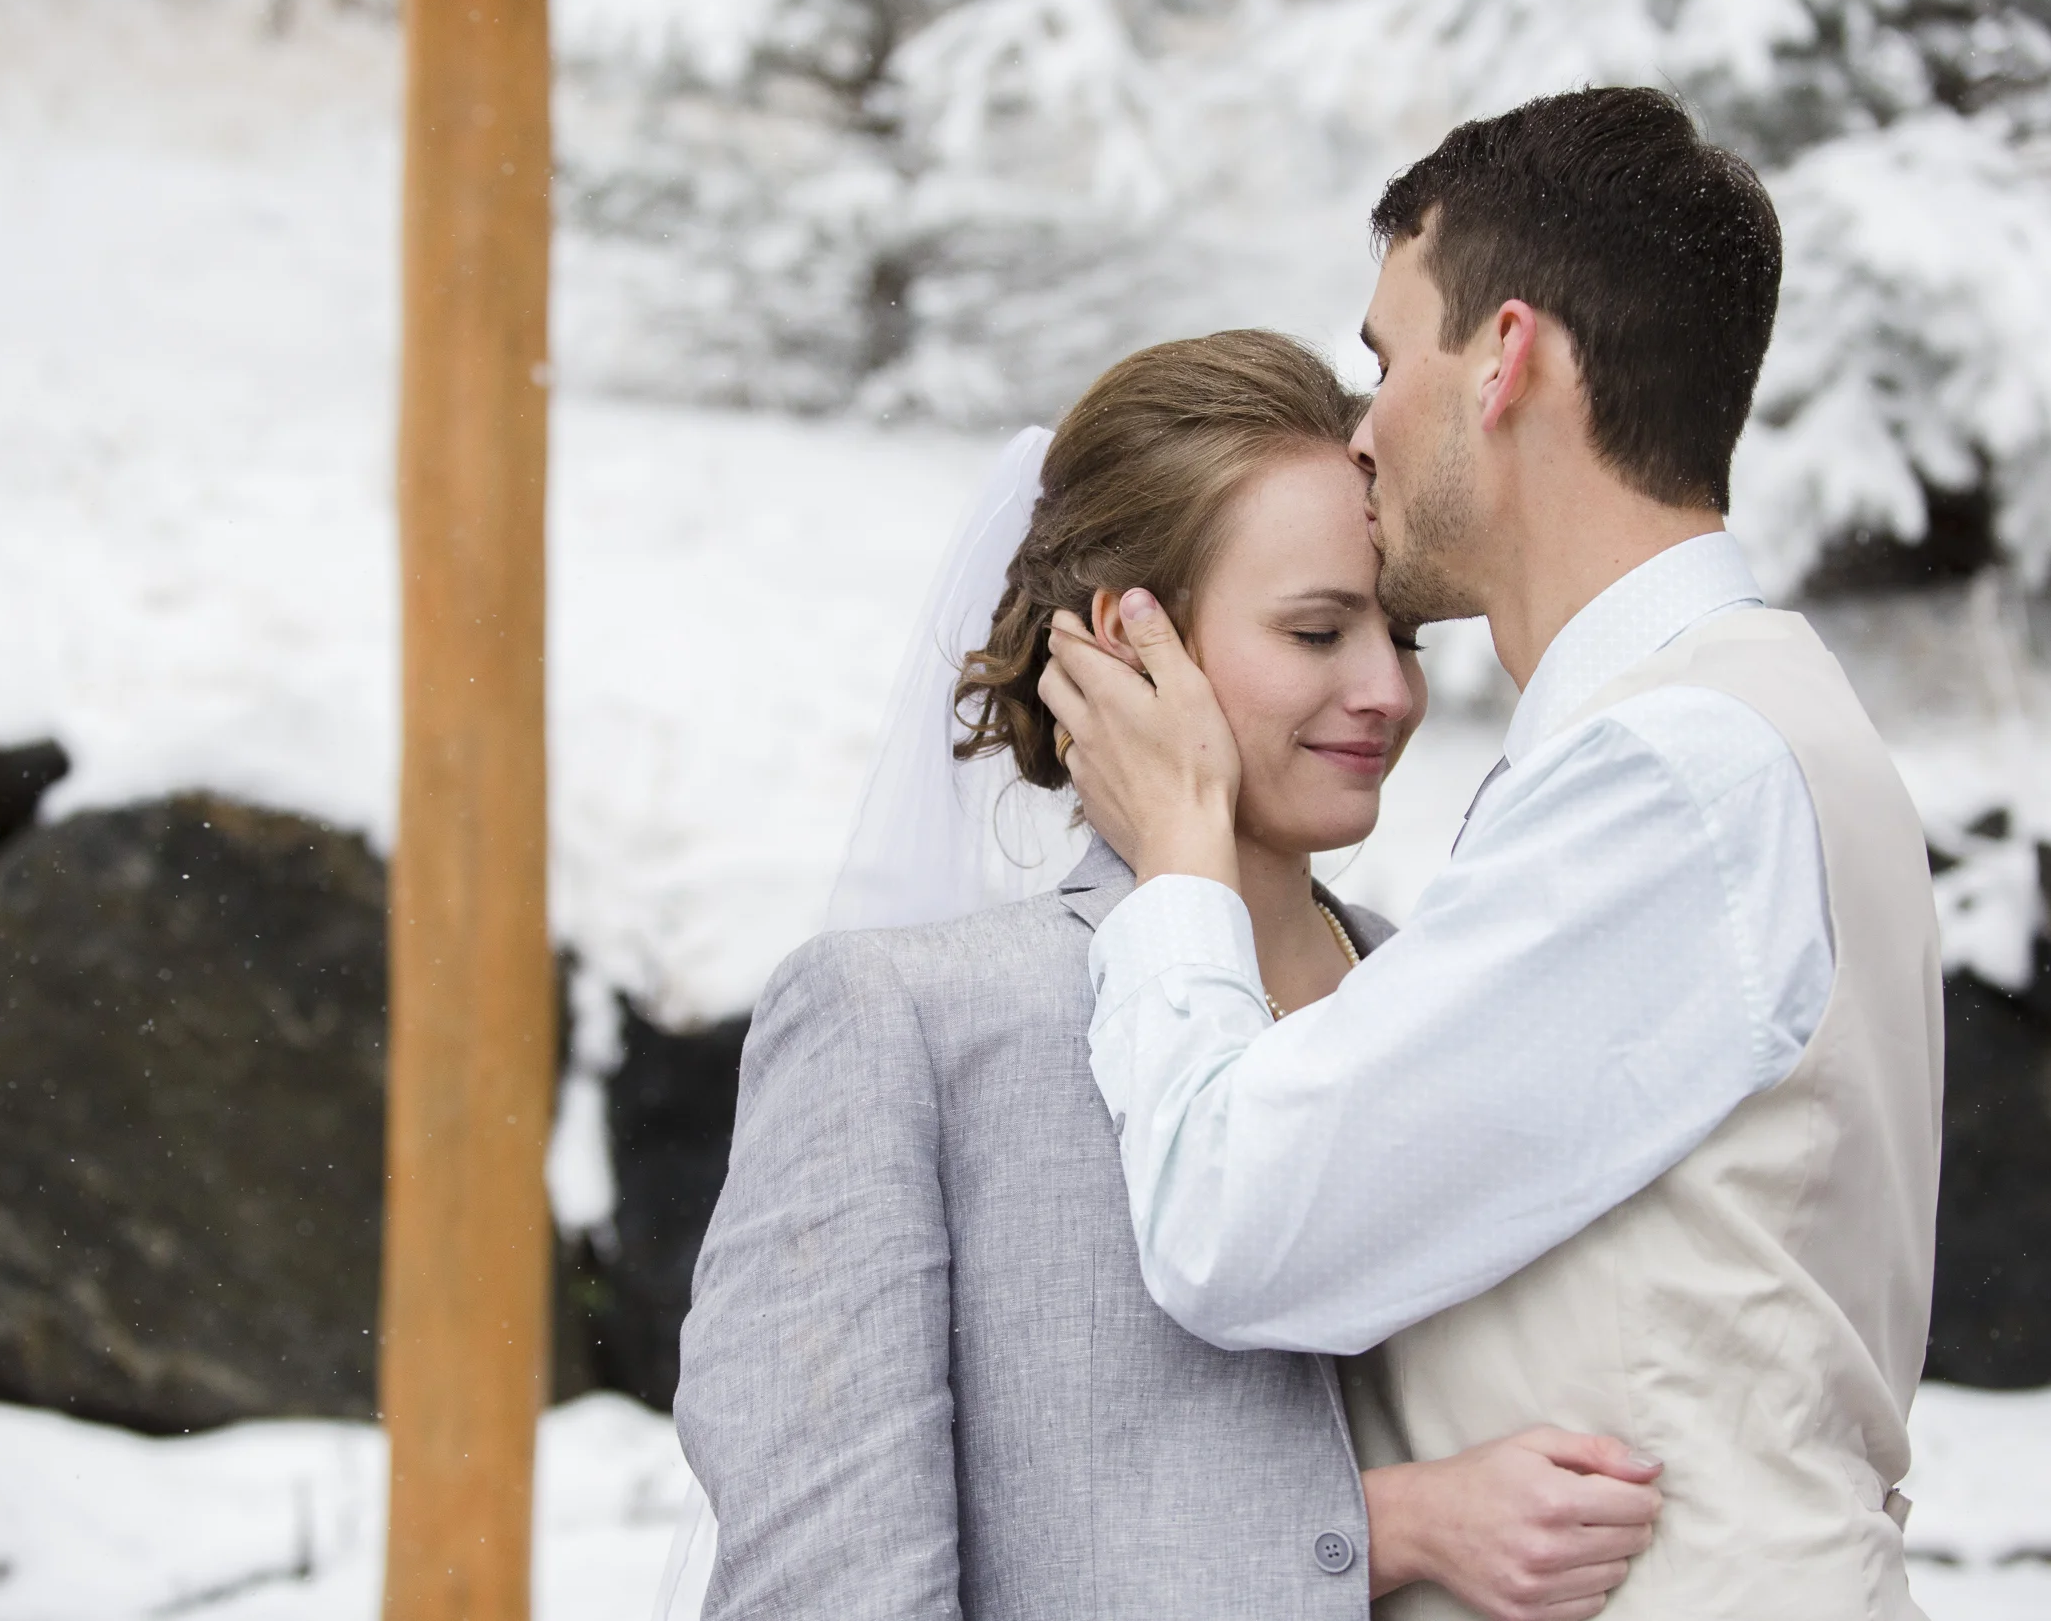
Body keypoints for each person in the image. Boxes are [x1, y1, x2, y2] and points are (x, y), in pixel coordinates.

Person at [1042, 90, 1944, 1619]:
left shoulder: (1679, 775)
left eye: (1387, 362)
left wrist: (1182, 860)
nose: (1361, 426)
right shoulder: (1732, 727)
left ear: (1508, 358)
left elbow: (1233, 1220)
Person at [670, 331, 1665, 1620]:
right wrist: (1380, 1529)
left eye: (1403, 633)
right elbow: (828, 1589)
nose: (1386, 691)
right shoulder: (902, 1027)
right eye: (1317, 630)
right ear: (1126, 642)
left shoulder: (1446, 992)